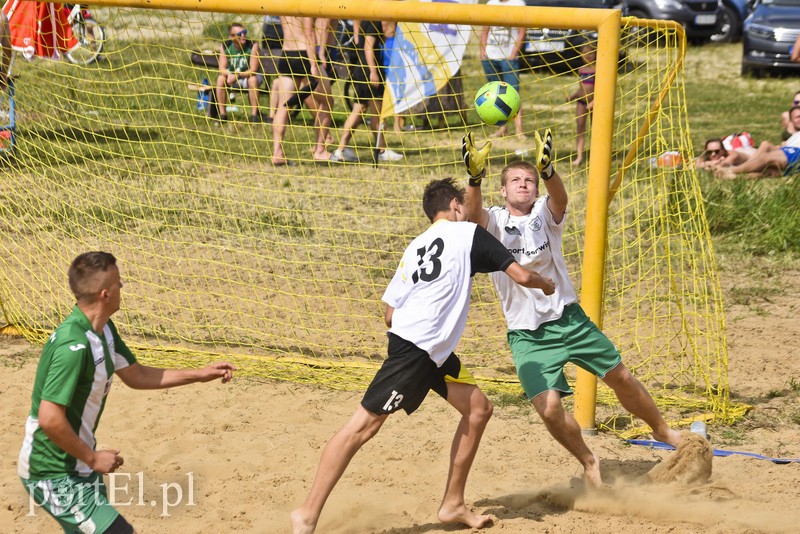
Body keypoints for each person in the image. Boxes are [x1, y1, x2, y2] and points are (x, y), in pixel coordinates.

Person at [289, 178, 555, 534]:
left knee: (478, 410)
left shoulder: (416, 245)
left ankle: (452, 504)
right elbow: (521, 275)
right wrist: (546, 284)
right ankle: (306, 514)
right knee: (362, 427)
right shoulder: (468, 234)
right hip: (419, 349)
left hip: (429, 351)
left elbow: (388, 311)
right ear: (457, 206)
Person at [460, 130, 683, 488]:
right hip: (527, 335)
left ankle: (662, 431)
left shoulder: (546, 215)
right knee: (548, 409)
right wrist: (474, 177)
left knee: (620, 377)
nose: (523, 185)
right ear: (502, 191)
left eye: (529, 180)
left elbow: (560, 198)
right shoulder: (495, 221)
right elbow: (471, 215)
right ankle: (589, 461)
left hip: (569, 319)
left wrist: (548, 171)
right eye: (516, 180)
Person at [18, 251, 236, 533]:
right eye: (120, 283)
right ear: (105, 294)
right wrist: (94, 458)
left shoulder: (104, 331)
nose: (124, 288)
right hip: (51, 473)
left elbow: (137, 375)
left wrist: (200, 374)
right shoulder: (73, 347)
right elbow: (49, 417)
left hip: (79, 466)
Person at [330, 20, 404, 164]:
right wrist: (373, 71)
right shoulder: (373, 21)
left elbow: (373, 42)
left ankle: (341, 149)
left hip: (362, 70)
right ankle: (381, 150)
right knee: (377, 112)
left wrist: (388, 31)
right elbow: (368, 47)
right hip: (368, 72)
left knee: (359, 109)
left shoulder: (368, 20)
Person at [271, 16, 334, 165]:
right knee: (327, 102)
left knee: (283, 106)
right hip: (305, 54)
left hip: (287, 54)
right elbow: (309, 33)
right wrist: (313, 63)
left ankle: (277, 153)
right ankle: (320, 150)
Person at [480, 0, 526, 139]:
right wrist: (483, 52)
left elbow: (522, 31)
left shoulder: (518, 4)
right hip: (490, 57)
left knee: (513, 94)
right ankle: (502, 128)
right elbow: (485, 30)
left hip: (508, 58)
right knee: (495, 94)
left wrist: (513, 54)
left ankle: (519, 131)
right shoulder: (491, 4)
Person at [215, 23, 264, 123]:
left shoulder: (252, 45)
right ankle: (223, 115)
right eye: (240, 34)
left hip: (249, 76)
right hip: (233, 77)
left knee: (252, 80)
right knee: (220, 79)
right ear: (232, 37)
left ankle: (254, 116)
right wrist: (229, 75)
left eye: (244, 32)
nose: (243, 35)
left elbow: (253, 69)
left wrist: (237, 75)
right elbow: (221, 68)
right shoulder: (226, 46)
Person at [715, 129, 800, 179]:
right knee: (765, 148)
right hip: (792, 150)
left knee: (766, 158)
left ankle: (732, 170)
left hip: (796, 152)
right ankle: (736, 175)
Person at [566, 42, 596, 166]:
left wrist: (595, 101)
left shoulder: (597, 68)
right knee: (580, 128)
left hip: (594, 103)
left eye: (591, 53)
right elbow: (581, 88)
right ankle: (579, 156)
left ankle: (596, 155)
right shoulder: (581, 70)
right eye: (585, 53)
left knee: (596, 130)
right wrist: (572, 96)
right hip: (581, 102)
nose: (588, 56)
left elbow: (600, 88)